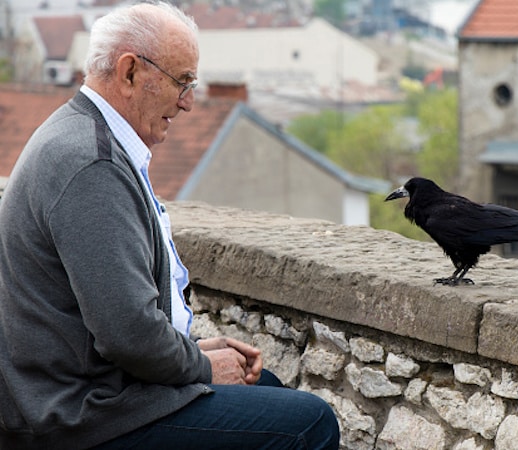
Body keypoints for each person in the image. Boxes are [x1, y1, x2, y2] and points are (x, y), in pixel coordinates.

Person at [0, 2, 340, 449]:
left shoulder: (84, 137)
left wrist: (193, 351)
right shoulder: (90, 163)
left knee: (269, 386)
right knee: (311, 423)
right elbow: (129, 336)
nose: (188, 103)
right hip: (80, 415)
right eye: (182, 82)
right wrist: (200, 365)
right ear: (129, 73)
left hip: (82, 394)